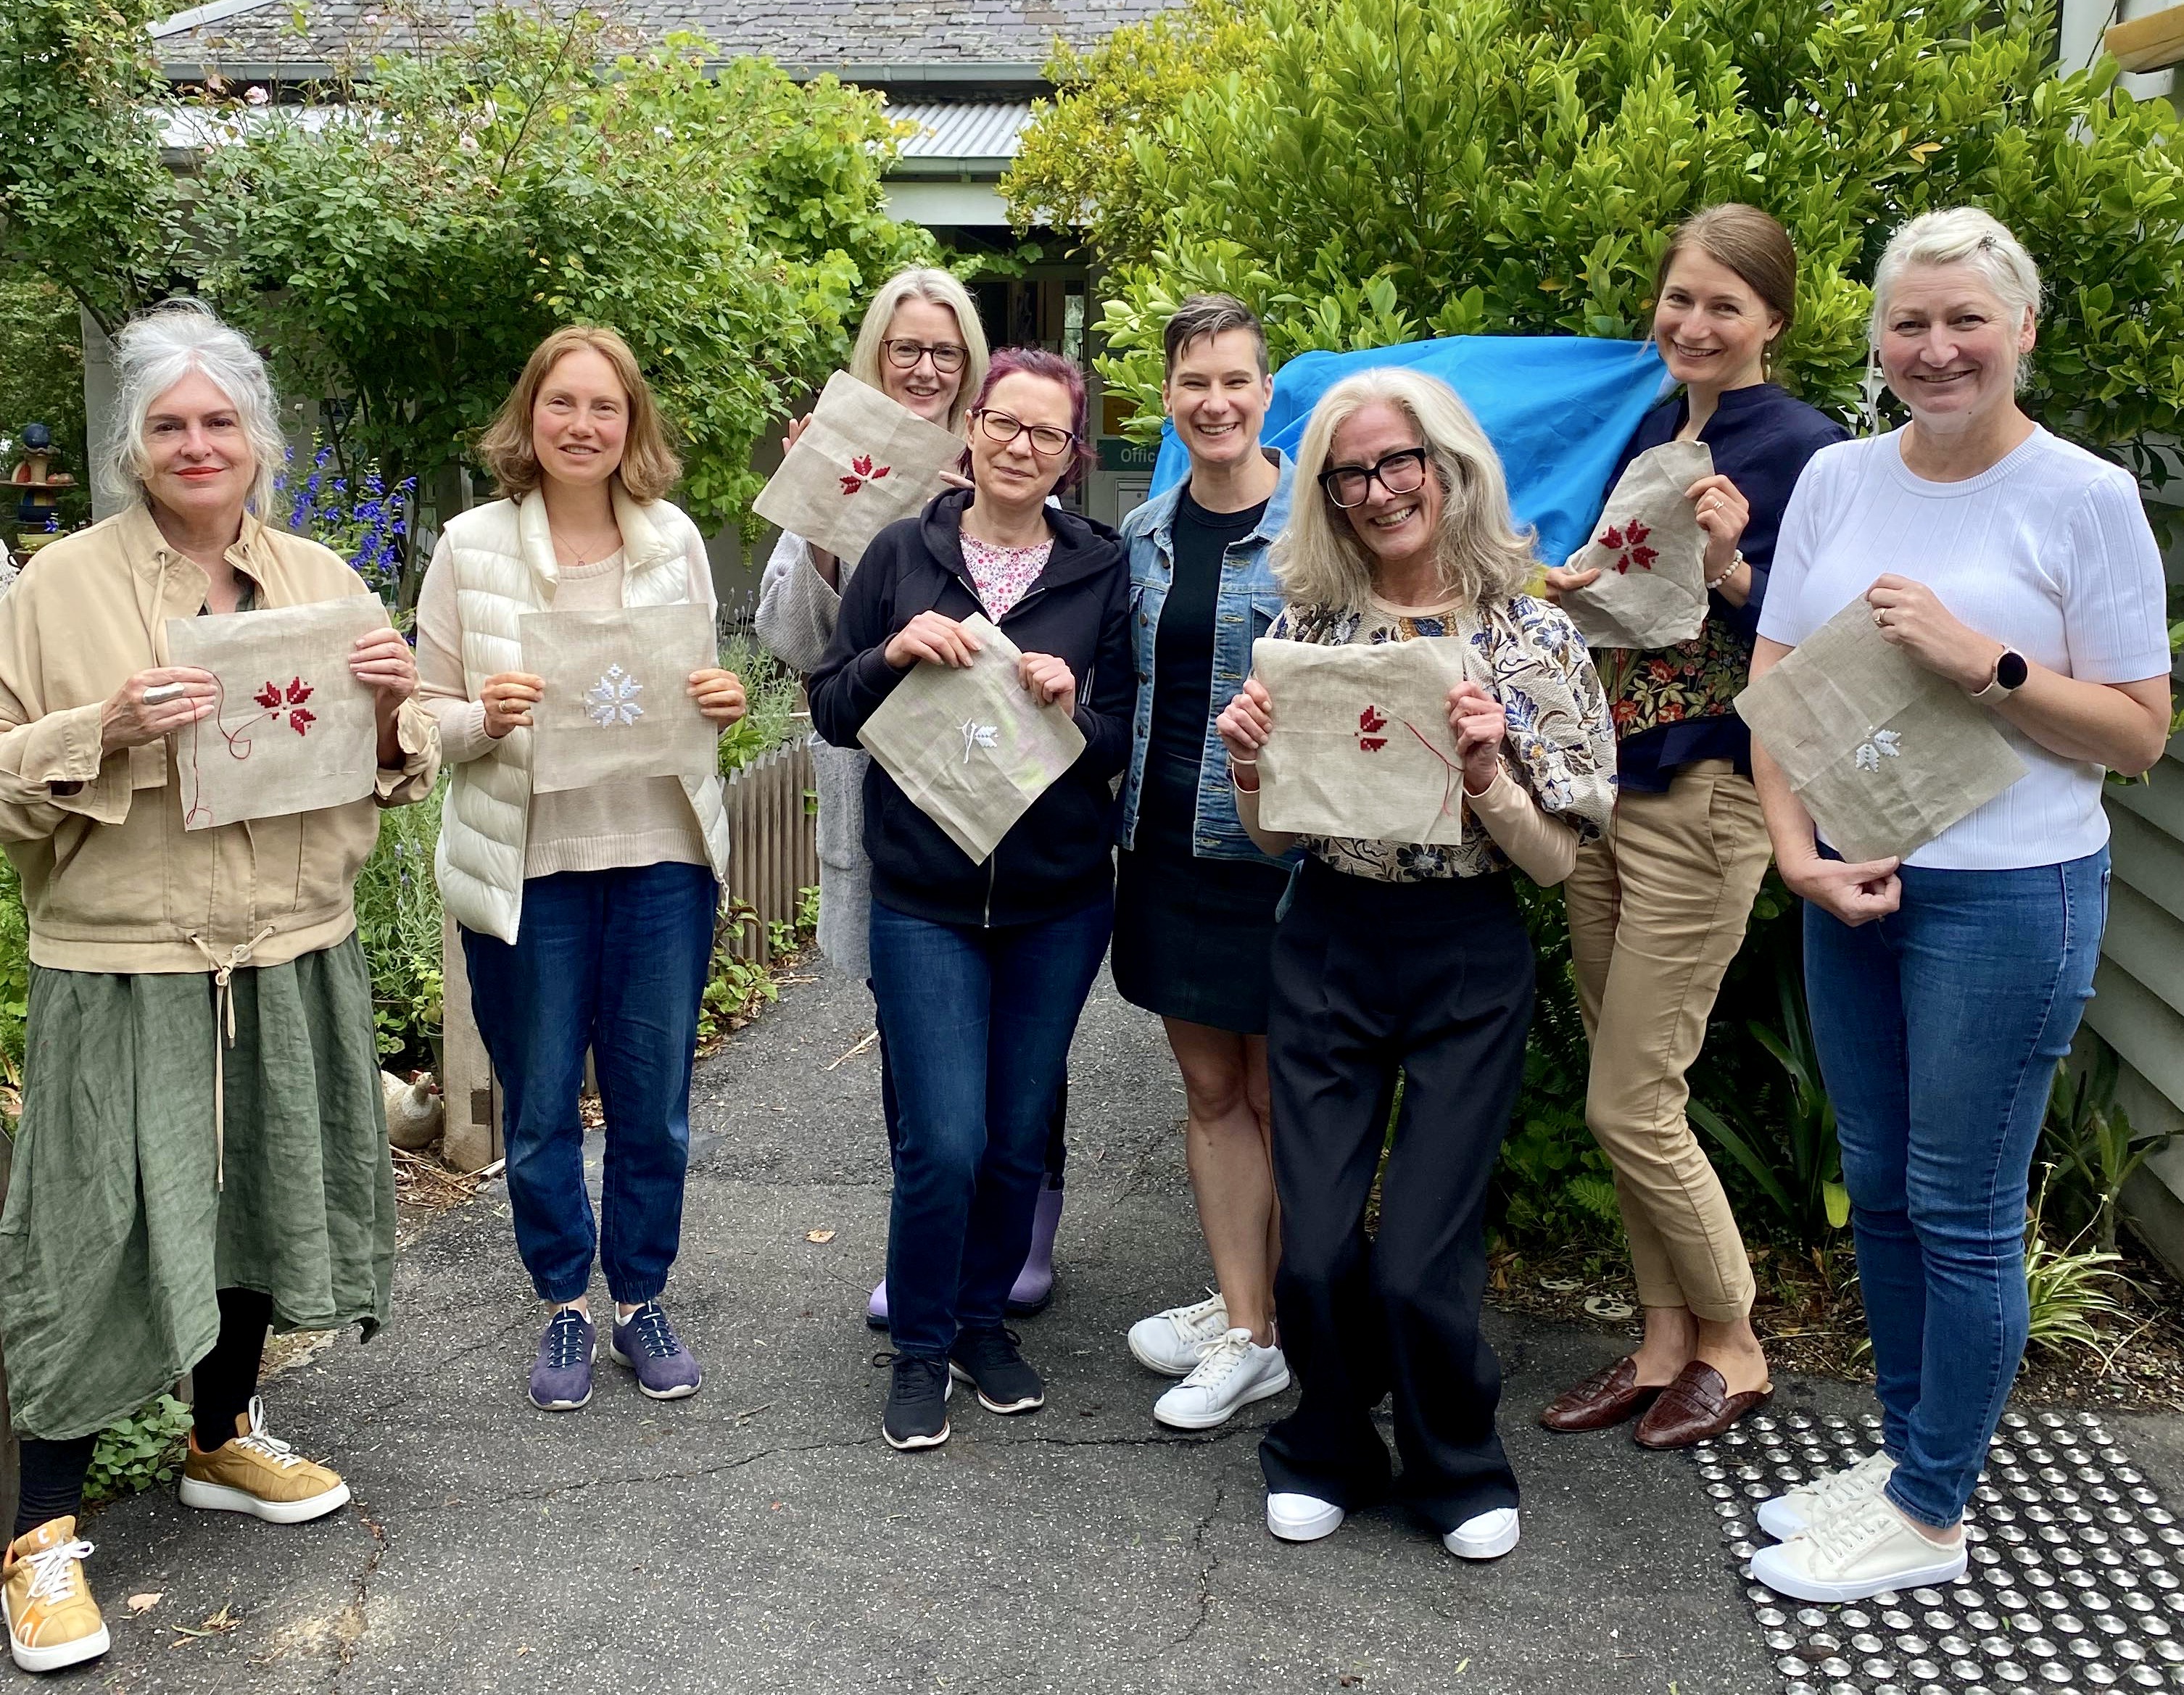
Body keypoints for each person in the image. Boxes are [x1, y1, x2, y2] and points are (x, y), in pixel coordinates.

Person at [0, 301, 439, 1675]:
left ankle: (218, 1434)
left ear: (259, 438)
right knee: (93, 1229)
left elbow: (390, 758)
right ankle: (37, 1531)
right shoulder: (56, 588)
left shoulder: (320, 579)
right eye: (170, 424)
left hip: (290, 942)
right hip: (123, 958)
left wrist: (393, 708)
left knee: (256, 1188)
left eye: (221, 421)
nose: (199, 444)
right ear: (133, 446)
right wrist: (105, 726)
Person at [1745, 209, 2170, 1604]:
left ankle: (1931, 1513)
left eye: (1966, 320)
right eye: (1909, 322)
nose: (1936, 349)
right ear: (1876, 337)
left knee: (1962, 1205)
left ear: (2022, 329)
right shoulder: (1837, 477)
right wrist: (1797, 855)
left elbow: (2138, 732)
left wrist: (1985, 661)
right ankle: (1907, 1459)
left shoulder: (2085, 497)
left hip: (2012, 898)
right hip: (1852, 884)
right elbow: (1777, 683)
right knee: (1878, 1187)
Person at [1215, 368, 1615, 1561]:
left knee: (1417, 1256)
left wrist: (1490, 773)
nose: (1380, 490)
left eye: (1401, 462)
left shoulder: (1531, 635)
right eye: (1352, 474)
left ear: (1450, 467)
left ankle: (1455, 1460)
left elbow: (1555, 863)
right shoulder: (1308, 631)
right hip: (1329, 938)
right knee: (1316, 1246)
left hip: (1464, 949)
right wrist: (1248, 764)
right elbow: (1277, 838)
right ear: (1328, 495)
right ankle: (1328, 1444)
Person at [1537, 205, 1848, 1448]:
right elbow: (1628, 599)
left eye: (1726, 304)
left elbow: (1831, 643)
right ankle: (1665, 1339)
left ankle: (1738, 1340)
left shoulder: (1809, 450)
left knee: (1632, 1099)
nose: (1696, 323)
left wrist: (1731, 566)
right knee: (1622, 1079)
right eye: (1681, 299)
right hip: (1610, 787)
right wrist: (1571, 585)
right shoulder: (1657, 430)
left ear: (1774, 319)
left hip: (1710, 792)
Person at [416, 326, 748, 1414]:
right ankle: (563, 1297)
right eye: (562, 402)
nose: (582, 424)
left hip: (661, 859)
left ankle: (641, 1295)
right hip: (530, 866)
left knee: (654, 1107)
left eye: (605, 406)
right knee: (542, 1106)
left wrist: (724, 702)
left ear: (631, 423)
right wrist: (481, 715)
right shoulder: (469, 546)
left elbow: (697, 689)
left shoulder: (675, 539)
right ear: (531, 413)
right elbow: (421, 715)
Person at [808, 348, 1131, 1451]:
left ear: (1071, 455)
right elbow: (831, 706)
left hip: (1058, 901)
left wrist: (1074, 703)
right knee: (942, 1138)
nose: (1021, 447)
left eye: (1047, 434)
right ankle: (920, 1343)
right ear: (972, 428)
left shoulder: (1101, 569)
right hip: (924, 897)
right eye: (1004, 423)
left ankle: (982, 1323)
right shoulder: (902, 551)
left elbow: (1123, 735)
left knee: (1013, 1137)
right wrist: (892, 653)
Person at [756, 272, 1070, 1325]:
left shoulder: (1010, 455)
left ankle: (1024, 1220)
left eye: (946, 351)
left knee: (1024, 1022)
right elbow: (794, 640)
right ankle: (928, 1231)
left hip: (1004, 789)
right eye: (905, 349)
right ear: (875, 358)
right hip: (884, 787)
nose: (926, 369)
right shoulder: (838, 459)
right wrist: (823, 517)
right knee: (915, 1024)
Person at [1112, 295, 1298, 1430]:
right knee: (1212, 1090)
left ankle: (1265, 1330)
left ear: (1267, 392)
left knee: (1279, 1095)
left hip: (1279, 854)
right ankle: (1244, 1312)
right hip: (1164, 846)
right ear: (1170, 397)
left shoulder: (1319, 529)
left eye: (1235, 380)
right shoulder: (1143, 533)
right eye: (1194, 382)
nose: (1215, 401)